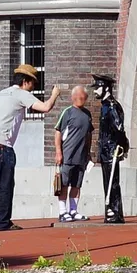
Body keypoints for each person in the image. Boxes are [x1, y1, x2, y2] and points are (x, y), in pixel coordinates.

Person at [0, 64, 61, 232]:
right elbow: (45, 107)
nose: (33, 88)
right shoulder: (20, 94)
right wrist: (54, 95)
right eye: (33, 84)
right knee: (5, 185)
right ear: (25, 81)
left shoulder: (1, 94)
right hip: (2, 145)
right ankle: (3, 222)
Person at [91, 73, 130, 224]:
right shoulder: (105, 106)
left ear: (106, 88)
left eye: (98, 87)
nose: (95, 91)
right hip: (106, 149)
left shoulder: (112, 106)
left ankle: (114, 211)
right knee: (108, 181)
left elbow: (118, 128)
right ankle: (111, 210)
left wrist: (121, 146)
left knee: (112, 182)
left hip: (111, 149)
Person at [54, 86, 94, 222]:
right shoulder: (67, 112)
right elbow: (58, 132)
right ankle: (62, 212)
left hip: (81, 156)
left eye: (83, 97)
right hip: (67, 155)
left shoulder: (88, 114)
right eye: (77, 96)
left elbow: (89, 135)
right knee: (64, 184)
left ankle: (73, 210)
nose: (80, 99)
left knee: (77, 184)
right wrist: (58, 152)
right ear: (73, 98)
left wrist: (89, 153)